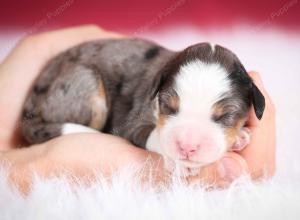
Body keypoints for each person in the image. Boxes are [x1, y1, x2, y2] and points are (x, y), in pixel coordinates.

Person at [0, 25, 276, 193]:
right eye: (171, 108)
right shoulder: (156, 85)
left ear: (254, 104)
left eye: (223, 118)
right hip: (74, 81)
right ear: (158, 91)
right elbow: (133, 127)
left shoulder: (180, 84)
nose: (188, 143)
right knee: (89, 90)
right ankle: (52, 127)